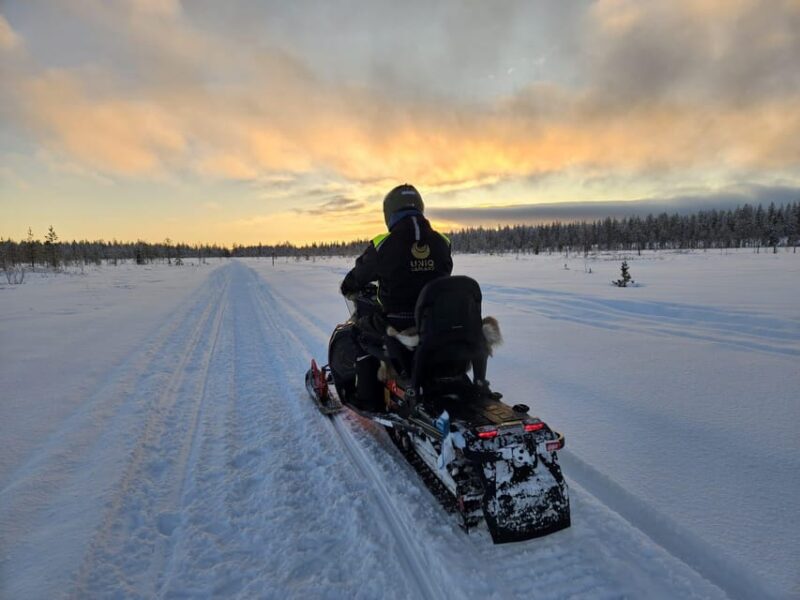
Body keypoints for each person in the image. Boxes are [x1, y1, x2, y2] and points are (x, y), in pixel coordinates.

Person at [340, 184, 452, 410]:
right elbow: (442, 273)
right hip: (434, 321)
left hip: (397, 323)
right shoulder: (442, 242)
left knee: (357, 332)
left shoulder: (383, 244)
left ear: (389, 213)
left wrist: (349, 287)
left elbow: (358, 276)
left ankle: (367, 398)